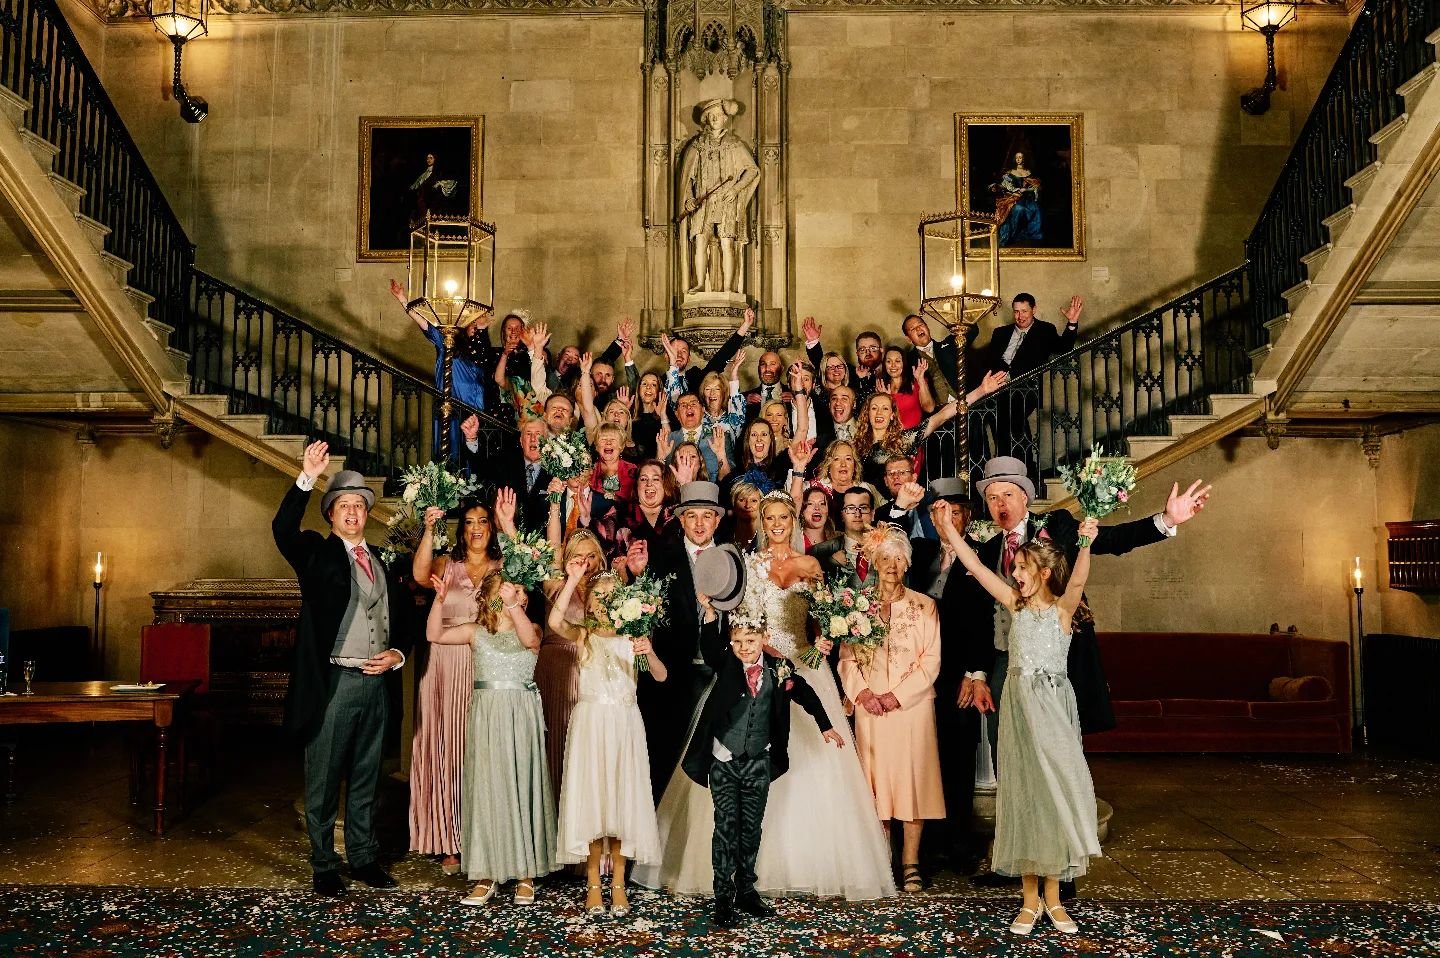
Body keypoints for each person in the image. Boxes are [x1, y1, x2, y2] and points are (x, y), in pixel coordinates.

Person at [948, 456, 1210, 893]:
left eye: (1007, 495)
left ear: (1025, 498)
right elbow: (975, 614)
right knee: (1011, 761)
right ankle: (1015, 858)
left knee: (1057, 765)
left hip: (1055, 669)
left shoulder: (1060, 527)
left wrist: (1166, 520)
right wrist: (976, 672)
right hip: (1004, 665)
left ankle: (1060, 863)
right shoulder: (989, 550)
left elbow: (1111, 540)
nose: (999, 504)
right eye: (991, 498)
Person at [940, 512, 1102, 936]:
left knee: (1055, 796)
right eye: (1013, 568)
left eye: (1022, 568)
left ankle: (1054, 897)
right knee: (1024, 796)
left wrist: (1086, 542)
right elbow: (975, 567)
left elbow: (1080, 580)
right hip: (1019, 711)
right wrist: (953, 535)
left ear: (1045, 573)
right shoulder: (1014, 604)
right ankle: (1030, 900)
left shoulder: (1064, 611)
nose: (1014, 574)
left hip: (1053, 712)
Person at [272, 443, 410, 897]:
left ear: (367, 514)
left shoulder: (384, 561)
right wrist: (305, 479)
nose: (352, 513)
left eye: (359, 506)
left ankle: (364, 857)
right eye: (344, 506)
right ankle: (324, 863)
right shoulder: (315, 552)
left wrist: (398, 654)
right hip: (333, 681)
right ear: (330, 514)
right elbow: (283, 529)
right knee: (325, 775)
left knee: (368, 775)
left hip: (376, 685)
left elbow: (402, 620)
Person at [684, 590, 849, 928]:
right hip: (724, 759)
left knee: (751, 828)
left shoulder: (780, 668)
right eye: (739, 640)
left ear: (765, 637)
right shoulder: (727, 662)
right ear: (731, 642)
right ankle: (722, 896)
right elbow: (711, 645)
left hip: (760, 759)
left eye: (751, 639)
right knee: (726, 827)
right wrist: (709, 614)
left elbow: (805, 693)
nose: (745, 647)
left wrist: (826, 726)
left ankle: (746, 889)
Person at [426, 560, 556, 907]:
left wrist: (514, 605)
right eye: (506, 590)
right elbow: (434, 635)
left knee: (520, 785)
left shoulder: (534, 629)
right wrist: (439, 601)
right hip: (485, 716)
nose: (515, 595)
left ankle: (526, 873)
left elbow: (529, 639)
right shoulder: (475, 631)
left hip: (520, 715)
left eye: (520, 591)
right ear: (488, 597)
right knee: (487, 787)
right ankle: (487, 873)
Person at [548, 564, 667, 918]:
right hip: (592, 723)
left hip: (625, 724)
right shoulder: (584, 635)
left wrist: (648, 651)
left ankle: (618, 883)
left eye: (612, 595)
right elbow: (555, 622)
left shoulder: (634, 636)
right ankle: (593, 885)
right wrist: (571, 580)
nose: (604, 601)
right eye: (598, 595)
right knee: (594, 804)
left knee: (621, 804)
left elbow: (660, 676)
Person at [839, 526, 944, 895]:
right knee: (876, 787)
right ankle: (882, 860)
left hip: (911, 710)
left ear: (907, 563)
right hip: (870, 710)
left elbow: (931, 662)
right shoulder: (856, 605)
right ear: (873, 562)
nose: (891, 565)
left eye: (899, 558)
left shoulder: (924, 605)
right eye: (884, 558)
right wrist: (863, 693)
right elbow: (847, 659)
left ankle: (910, 863)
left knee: (913, 785)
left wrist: (897, 696)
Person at [409, 495, 508, 876]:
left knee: (480, 751)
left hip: (487, 665)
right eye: (469, 521)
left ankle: (482, 834)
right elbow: (420, 575)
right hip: (446, 668)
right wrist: (430, 529)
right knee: (447, 747)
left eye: (483, 520)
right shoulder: (446, 565)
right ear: (462, 528)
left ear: (491, 527)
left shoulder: (504, 566)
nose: (477, 527)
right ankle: (450, 839)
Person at [627, 481, 727, 797]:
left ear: (717, 520)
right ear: (681, 520)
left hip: (720, 676)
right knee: (667, 764)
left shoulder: (732, 559)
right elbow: (641, 614)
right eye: (692, 516)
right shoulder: (658, 558)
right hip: (672, 678)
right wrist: (638, 577)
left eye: (707, 516)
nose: (699, 524)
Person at [974, 294, 1082, 477]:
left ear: (1034, 310)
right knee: (1002, 425)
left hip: (1026, 389)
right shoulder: (1000, 332)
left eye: (1024, 311)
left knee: (1011, 421)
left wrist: (1072, 323)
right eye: (1016, 311)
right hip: (996, 389)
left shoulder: (1045, 330)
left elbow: (1064, 348)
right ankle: (1018, 469)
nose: (1020, 316)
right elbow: (988, 362)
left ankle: (1016, 469)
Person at [536, 529, 607, 796]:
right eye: (578, 557)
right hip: (557, 669)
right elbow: (553, 545)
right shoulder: (555, 583)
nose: (585, 563)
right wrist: (556, 504)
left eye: (591, 556)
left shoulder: (605, 587)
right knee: (558, 739)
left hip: (591, 669)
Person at [677, 98, 760, 296]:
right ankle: (698, 283)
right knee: (700, 241)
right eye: (711, 116)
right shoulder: (698, 146)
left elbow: (752, 170)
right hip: (702, 202)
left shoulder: (734, 144)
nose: (715, 119)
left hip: (726, 201)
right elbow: (688, 177)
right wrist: (689, 198)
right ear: (706, 119)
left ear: (725, 119)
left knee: (727, 243)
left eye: (718, 116)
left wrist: (736, 189)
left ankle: (728, 288)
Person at [662, 309, 754, 396]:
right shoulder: (657, 383)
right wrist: (672, 365)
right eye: (674, 350)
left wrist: (745, 325)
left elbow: (721, 358)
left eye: (684, 351)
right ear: (666, 356)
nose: (679, 355)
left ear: (689, 358)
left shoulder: (696, 377)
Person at [810, 486, 879, 590]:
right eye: (850, 508)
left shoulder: (889, 549)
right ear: (842, 515)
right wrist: (830, 562)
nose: (857, 514)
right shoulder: (819, 552)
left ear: (873, 514)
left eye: (863, 508)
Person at [902, 313, 971, 405]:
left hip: (967, 401)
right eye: (913, 329)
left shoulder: (950, 343)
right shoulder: (908, 360)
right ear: (908, 339)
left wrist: (959, 313)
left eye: (921, 324)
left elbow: (973, 331)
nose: (918, 329)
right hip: (938, 412)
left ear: (927, 328)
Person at [874, 456, 936, 541]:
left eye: (902, 473)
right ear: (886, 481)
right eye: (891, 474)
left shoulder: (932, 502)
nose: (895, 477)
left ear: (914, 478)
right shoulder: (880, 514)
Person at [993, 152, 1043, 247]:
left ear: (1024, 159)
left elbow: (1036, 187)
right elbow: (1004, 186)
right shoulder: (1010, 173)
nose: (1019, 159)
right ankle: (1012, 236)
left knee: (1037, 209)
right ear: (1015, 159)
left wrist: (1026, 189)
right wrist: (1011, 190)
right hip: (1014, 199)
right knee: (1018, 210)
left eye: (1021, 157)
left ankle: (1033, 235)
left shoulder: (1029, 172)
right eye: (1017, 158)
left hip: (1027, 199)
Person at [878, 346, 934, 430]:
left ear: (903, 363)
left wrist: (921, 380)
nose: (893, 365)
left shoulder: (916, 381)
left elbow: (929, 408)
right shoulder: (882, 387)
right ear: (884, 364)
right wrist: (886, 400)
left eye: (897, 361)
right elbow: (883, 420)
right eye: (889, 361)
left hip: (915, 434)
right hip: (893, 436)